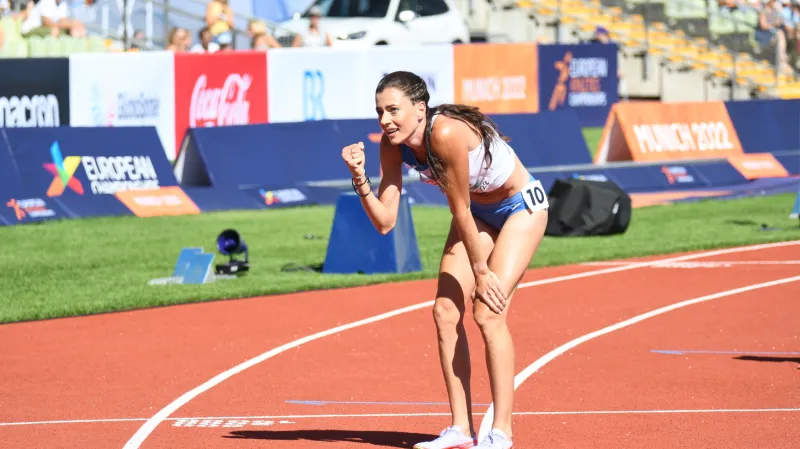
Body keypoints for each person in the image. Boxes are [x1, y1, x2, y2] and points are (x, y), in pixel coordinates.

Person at [340, 71, 549, 449]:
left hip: (520, 208)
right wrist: (360, 179)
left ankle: (501, 431)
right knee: (444, 312)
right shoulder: (393, 145)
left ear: (419, 109)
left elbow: (461, 209)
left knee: (487, 312)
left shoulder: (446, 134)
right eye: (379, 111)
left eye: (393, 110)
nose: (385, 120)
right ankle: (460, 429)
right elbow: (386, 222)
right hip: (478, 216)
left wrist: (481, 272)